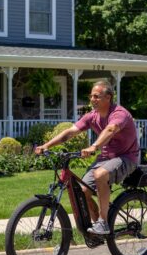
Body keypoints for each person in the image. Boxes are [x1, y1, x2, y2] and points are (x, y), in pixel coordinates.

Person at [35, 80, 139, 234]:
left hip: (126, 157)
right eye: (91, 96)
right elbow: (70, 132)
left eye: (96, 96)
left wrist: (94, 146)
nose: (92, 100)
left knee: (100, 174)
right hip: (106, 159)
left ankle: (103, 222)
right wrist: (46, 146)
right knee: (83, 190)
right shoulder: (92, 116)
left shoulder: (119, 114)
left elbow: (111, 129)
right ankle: (97, 227)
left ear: (108, 97)